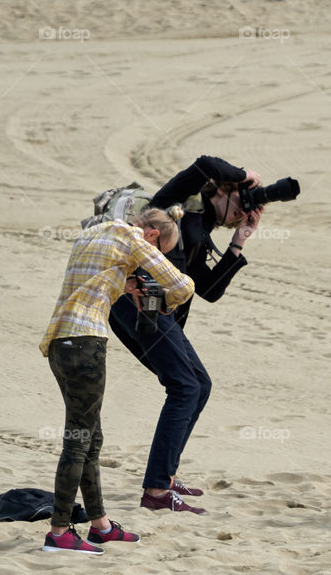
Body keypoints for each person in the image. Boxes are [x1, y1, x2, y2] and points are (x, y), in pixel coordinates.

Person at [107, 156, 263, 514]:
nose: (244, 210)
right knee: (185, 386)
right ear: (220, 190)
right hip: (139, 302)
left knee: (199, 385)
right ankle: (157, 492)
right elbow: (205, 164)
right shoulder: (171, 204)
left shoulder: (202, 229)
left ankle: (165, 478)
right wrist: (244, 175)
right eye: (241, 201)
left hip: (158, 310)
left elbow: (208, 290)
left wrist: (239, 242)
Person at [41, 207, 194, 554]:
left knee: (90, 438)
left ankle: (101, 526)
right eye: (160, 249)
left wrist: (124, 286)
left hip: (58, 343)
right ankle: (59, 532)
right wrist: (161, 302)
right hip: (86, 343)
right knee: (79, 441)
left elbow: (90, 283)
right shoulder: (132, 237)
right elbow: (184, 285)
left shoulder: (92, 232)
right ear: (152, 235)